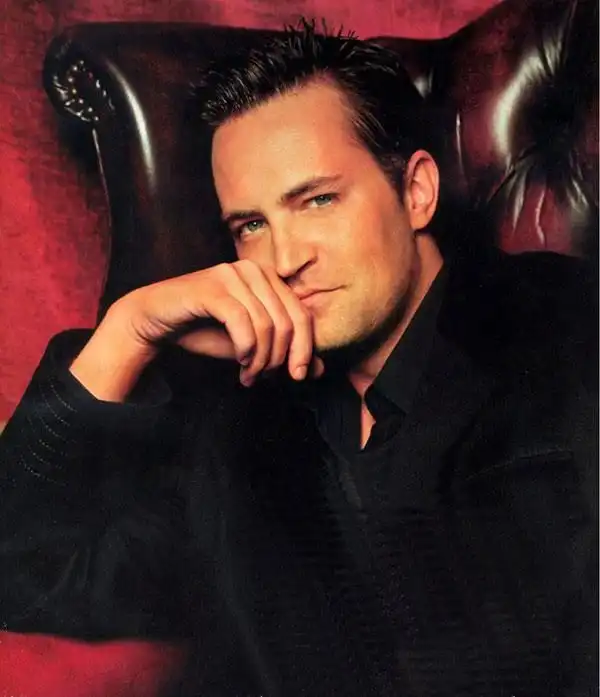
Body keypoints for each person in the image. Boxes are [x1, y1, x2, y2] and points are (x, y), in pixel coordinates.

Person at [0, 21, 597, 697]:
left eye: (317, 200)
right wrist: (129, 330)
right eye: (251, 225)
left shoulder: (568, 332)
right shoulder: (241, 425)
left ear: (417, 191)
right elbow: (22, 576)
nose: (284, 259)